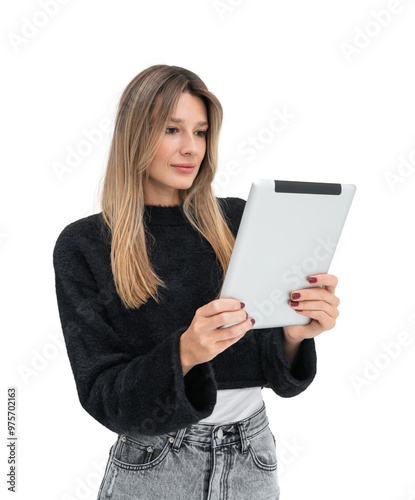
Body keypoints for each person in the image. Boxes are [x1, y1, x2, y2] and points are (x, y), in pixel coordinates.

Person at [52, 64, 341, 500]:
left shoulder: (240, 220)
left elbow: (275, 373)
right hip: (155, 464)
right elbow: (103, 396)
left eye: (201, 132)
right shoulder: (85, 245)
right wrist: (185, 353)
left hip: (252, 457)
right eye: (172, 129)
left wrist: (294, 337)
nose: (191, 148)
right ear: (135, 135)